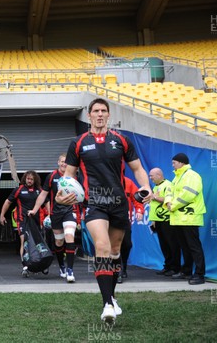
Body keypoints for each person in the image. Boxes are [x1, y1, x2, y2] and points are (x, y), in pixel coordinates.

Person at [56, 98, 152, 325]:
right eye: (96, 111)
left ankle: (113, 296)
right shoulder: (78, 143)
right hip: (94, 202)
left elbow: (137, 168)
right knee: (102, 246)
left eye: (103, 111)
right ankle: (106, 303)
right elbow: (69, 176)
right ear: (89, 116)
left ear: (108, 115)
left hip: (119, 203)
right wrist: (61, 194)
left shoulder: (121, 141)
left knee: (115, 251)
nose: (99, 114)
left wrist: (146, 186)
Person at [31, 154, 79, 282]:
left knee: (69, 237)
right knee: (59, 242)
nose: (64, 164)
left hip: (70, 211)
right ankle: (62, 266)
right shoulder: (52, 176)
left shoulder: (74, 176)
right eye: (62, 162)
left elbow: (81, 194)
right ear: (58, 162)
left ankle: (70, 271)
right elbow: (43, 195)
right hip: (55, 214)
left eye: (66, 162)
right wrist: (35, 210)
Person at [165, 153, 207, 285]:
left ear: (182, 163)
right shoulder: (176, 177)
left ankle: (200, 274)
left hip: (190, 217)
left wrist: (173, 205)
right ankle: (187, 271)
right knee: (184, 246)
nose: (172, 165)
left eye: (174, 163)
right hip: (178, 218)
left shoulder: (192, 175)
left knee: (194, 246)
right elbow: (169, 192)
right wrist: (168, 202)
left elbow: (189, 194)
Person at [0, 170, 42, 277]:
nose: (29, 181)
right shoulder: (19, 189)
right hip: (22, 220)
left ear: (35, 180)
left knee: (36, 243)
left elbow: (46, 203)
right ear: (25, 179)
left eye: (32, 179)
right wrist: (2, 215)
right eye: (28, 179)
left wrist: (49, 216)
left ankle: (36, 264)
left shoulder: (39, 190)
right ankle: (25, 266)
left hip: (36, 220)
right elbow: (7, 202)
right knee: (24, 241)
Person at [147, 167, 179, 276]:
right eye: (149, 175)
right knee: (164, 245)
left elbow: (168, 200)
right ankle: (168, 266)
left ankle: (175, 268)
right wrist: (154, 220)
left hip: (167, 219)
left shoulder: (168, 185)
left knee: (172, 244)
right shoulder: (156, 187)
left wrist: (154, 197)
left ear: (159, 175)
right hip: (158, 220)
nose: (150, 178)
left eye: (152, 175)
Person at [118, 177, 145, 283]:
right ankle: (118, 271)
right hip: (109, 220)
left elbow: (137, 199)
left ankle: (123, 265)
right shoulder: (105, 179)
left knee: (127, 244)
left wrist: (139, 210)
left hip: (125, 220)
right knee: (115, 245)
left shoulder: (128, 182)